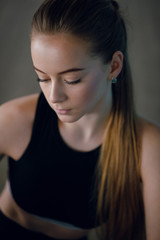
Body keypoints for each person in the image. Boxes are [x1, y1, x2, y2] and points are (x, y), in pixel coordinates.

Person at [0, 0, 160, 239]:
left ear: (114, 67)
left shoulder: (148, 147)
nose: (54, 97)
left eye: (72, 80)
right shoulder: (13, 120)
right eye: (42, 78)